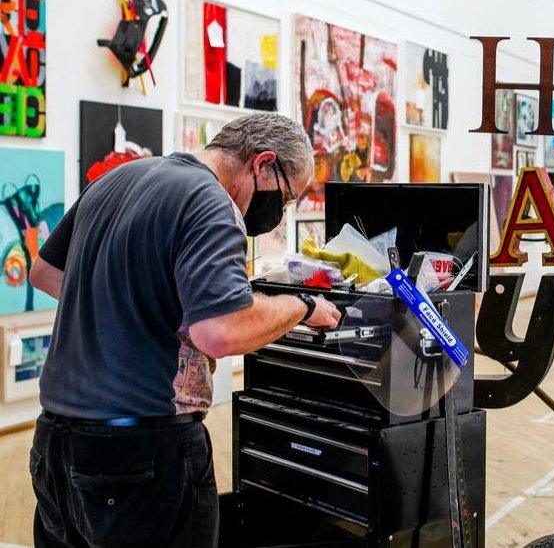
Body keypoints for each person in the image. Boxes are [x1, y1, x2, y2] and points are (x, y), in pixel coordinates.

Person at [27, 112, 340, 547]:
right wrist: (301, 306)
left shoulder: (118, 179)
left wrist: (135, 306)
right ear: (263, 163)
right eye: (286, 197)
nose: (279, 213)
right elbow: (220, 332)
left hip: (54, 443)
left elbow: (44, 271)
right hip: (140, 452)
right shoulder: (210, 200)